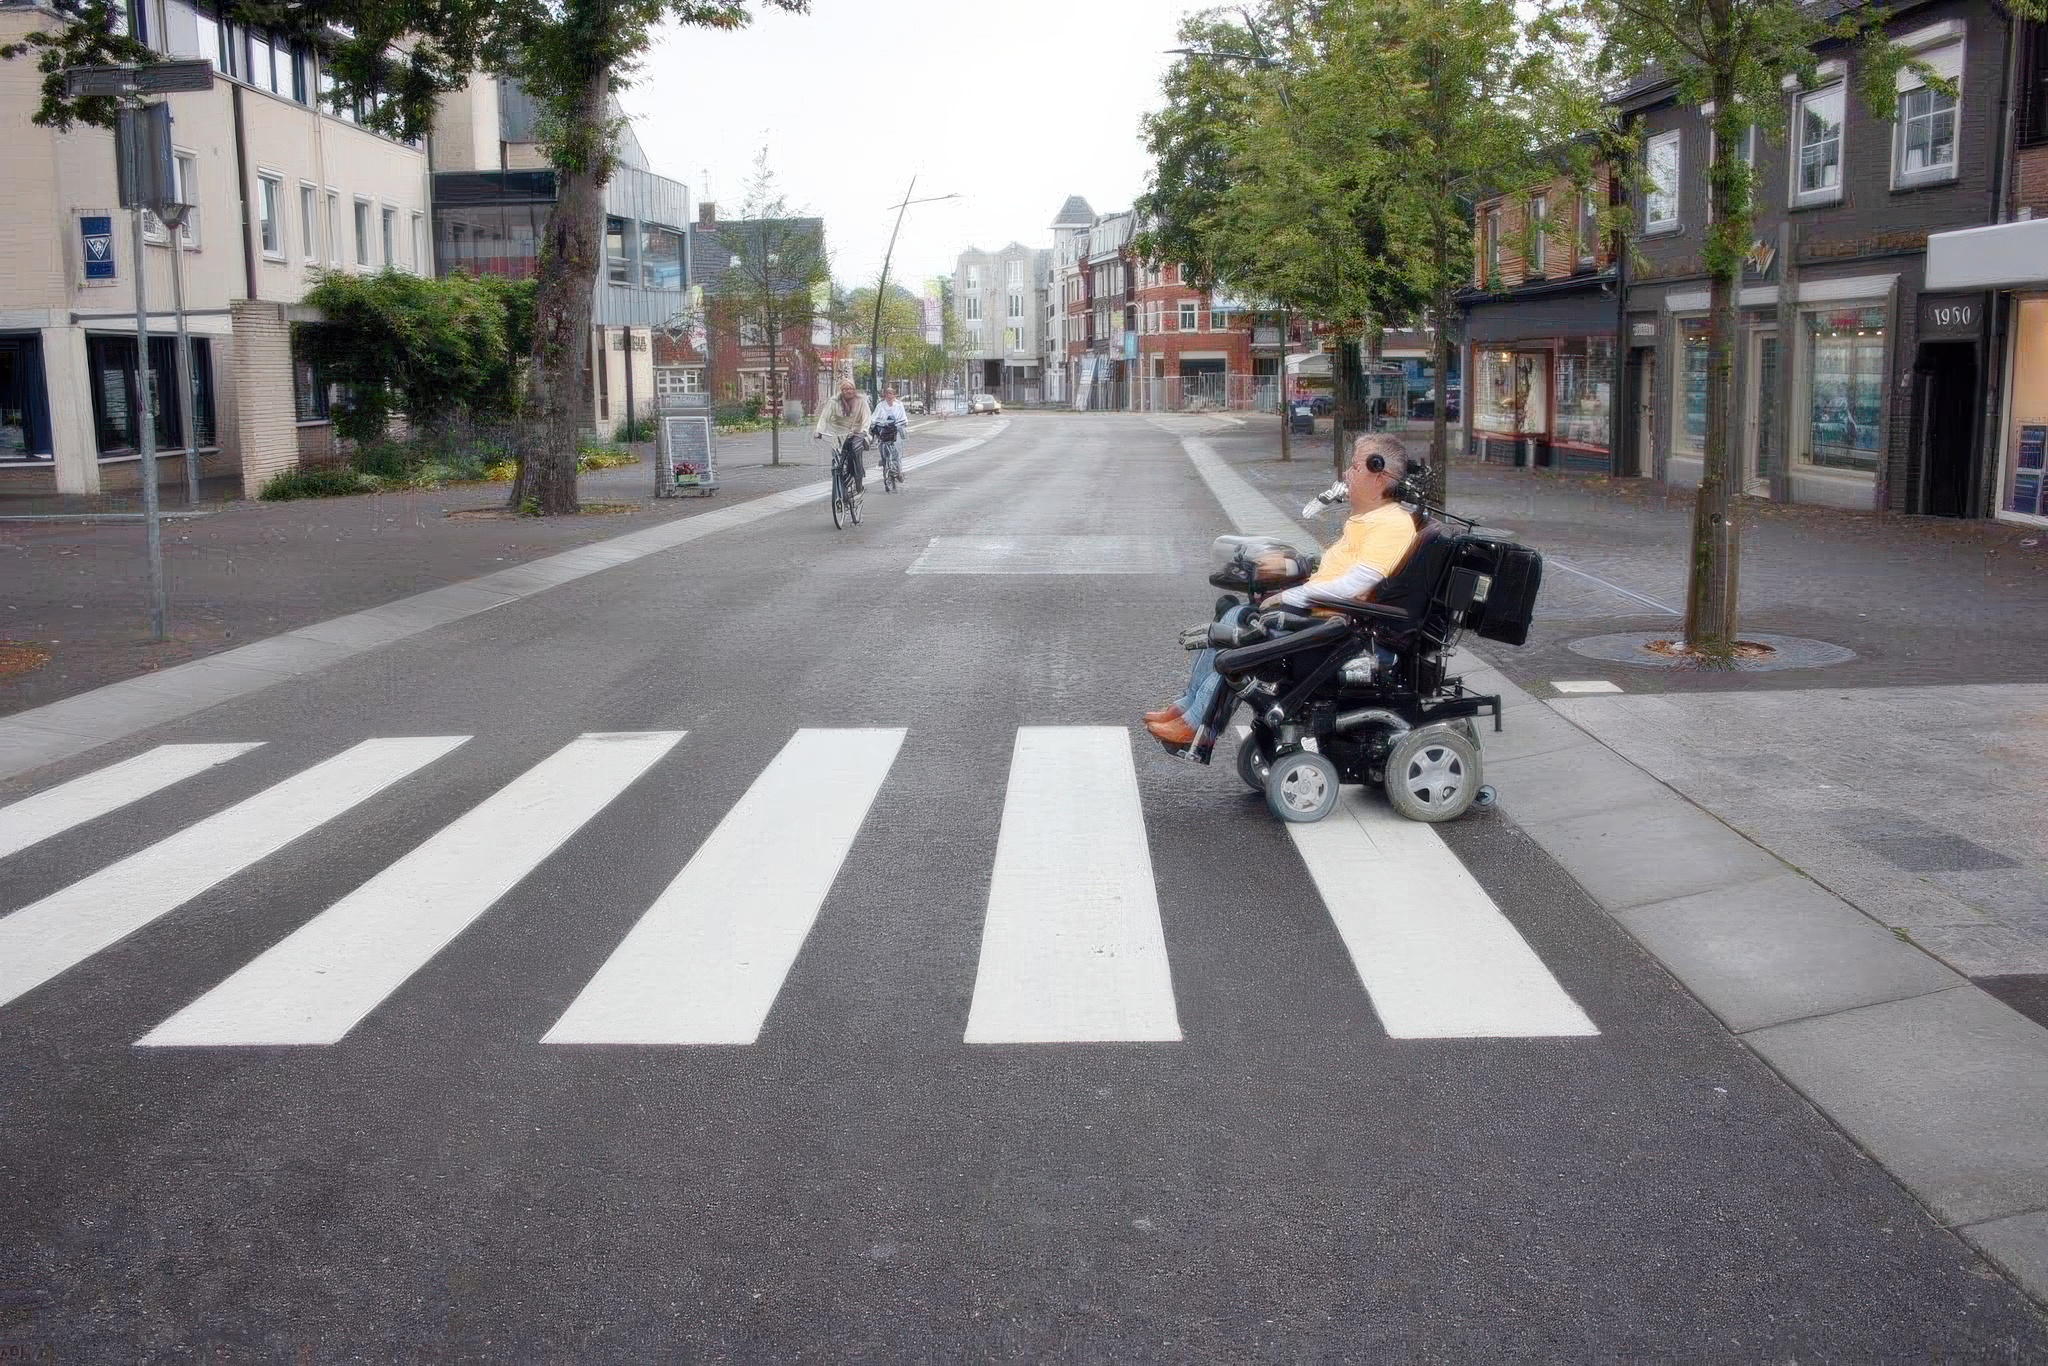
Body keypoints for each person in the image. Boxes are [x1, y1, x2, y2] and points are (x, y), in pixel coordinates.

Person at [1144, 433, 1422, 752]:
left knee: (1236, 628)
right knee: (1231, 613)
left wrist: (1289, 597)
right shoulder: (1372, 519)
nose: (1347, 474)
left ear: (1378, 474)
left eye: (1355, 466)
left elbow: (1355, 584)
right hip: (1324, 617)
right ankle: (1189, 708)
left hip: (1336, 631)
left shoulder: (1392, 524)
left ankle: (1197, 724)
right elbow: (1338, 572)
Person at [815, 380, 873, 490]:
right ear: (841, 391)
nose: (849, 391)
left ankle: (858, 480)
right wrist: (819, 431)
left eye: (851, 388)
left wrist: (864, 431)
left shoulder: (861, 401)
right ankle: (838, 478)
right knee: (837, 457)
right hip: (838, 432)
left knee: (855, 451)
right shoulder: (834, 401)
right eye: (846, 389)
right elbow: (824, 417)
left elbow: (866, 418)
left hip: (856, 431)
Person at [872, 386, 910, 483]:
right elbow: (874, 417)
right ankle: (884, 461)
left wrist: (903, 423)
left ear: (894, 395)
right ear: (885, 395)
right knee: (881, 445)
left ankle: (899, 471)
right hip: (884, 429)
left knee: (897, 450)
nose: (889, 396)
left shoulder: (899, 405)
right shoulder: (880, 405)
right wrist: (873, 425)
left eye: (891, 393)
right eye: (887, 394)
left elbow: (903, 417)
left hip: (895, 428)